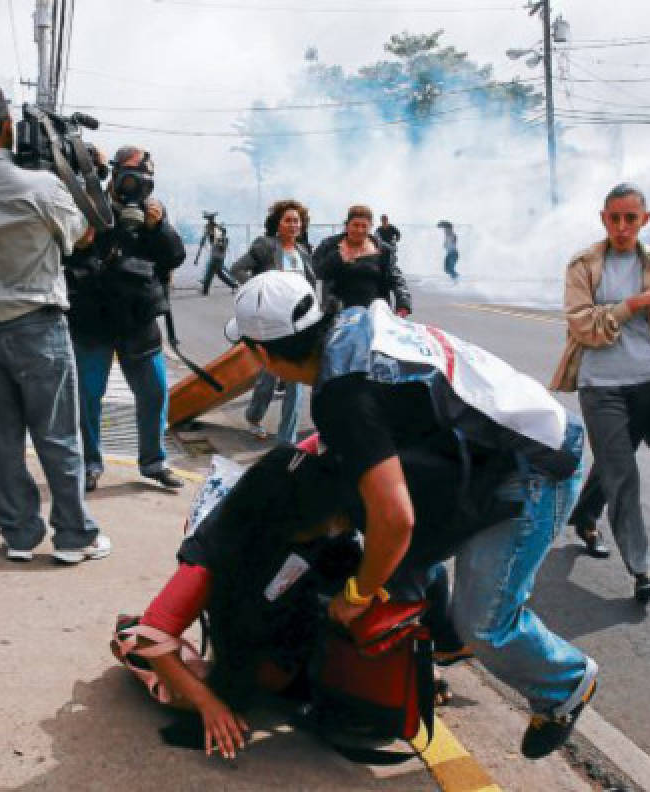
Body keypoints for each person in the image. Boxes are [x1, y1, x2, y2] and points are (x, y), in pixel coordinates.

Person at [224, 271, 598, 759]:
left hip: (536, 464)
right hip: (484, 454)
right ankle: (439, 649)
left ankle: (565, 683)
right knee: (394, 553)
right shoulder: (351, 326)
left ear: (265, 355)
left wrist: (354, 595)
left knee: (484, 621)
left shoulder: (342, 394)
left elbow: (395, 519)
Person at [117, 443, 478, 759]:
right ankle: (124, 637)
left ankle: (437, 657)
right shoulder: (213, 558)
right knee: (176, 674)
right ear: (283, 528)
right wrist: (208, 705)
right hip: (249, 643)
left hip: (296, 615)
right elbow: (155, 637)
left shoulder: (308, 478)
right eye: (328, 523)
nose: (340, 523)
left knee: (422, 572)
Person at [0, 81, 109, 564]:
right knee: (57, 436)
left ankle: (18, 534)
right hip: (39, 328)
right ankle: (74, 537)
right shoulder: (43, 187)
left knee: (3, 439)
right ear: (8, 126)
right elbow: (82, 234)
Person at [550, 183, 650, 604]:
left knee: (615, 464)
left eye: (630, 218)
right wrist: (635, 303)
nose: (621, 226)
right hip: (600, 387)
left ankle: (584, 515)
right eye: (614, 218)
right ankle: (641, 567)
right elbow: (583, 325)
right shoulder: (583, 265)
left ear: (644, 221)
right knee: (624, 474)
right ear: (603, 219)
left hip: (649, 386)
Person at [64, 145, 186, 493]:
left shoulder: (152, 214)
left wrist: (158, 226)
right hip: (92, 321)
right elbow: (68, 252)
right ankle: (89, 463)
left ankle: (154, 462)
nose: (135, 185)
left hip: (138, 321)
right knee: (87, 396)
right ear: (115, 173)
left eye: (143, 178)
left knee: (155, 393)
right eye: (130, 175)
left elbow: (175, 255)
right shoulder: (89, 205)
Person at [231, 199, 315, 444]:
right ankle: (254, 415)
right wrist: (258, 293)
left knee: (295, 382)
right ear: (277, 224)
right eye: (287, 220)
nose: (292, 225)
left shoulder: (303, 252)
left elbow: (310, 286)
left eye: (296, 221)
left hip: (299, 326)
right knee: (268, 378)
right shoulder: (266, 246)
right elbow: (238, 269)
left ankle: (286, 442)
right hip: (272, 325)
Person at [313, 205, 411, 316]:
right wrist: (337, 258)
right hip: (337, 314)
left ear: (370, 227)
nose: (359, 230)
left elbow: (396, 276)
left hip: (374, 314)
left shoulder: (383, 250)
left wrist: (403, 303)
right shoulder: (329, 246)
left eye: (364, 226)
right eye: (355, 225)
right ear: (347, 225)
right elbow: (315, 271)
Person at [200, 223, 236, 296]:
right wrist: (208, 233)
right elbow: (210, 240)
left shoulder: (224, 239)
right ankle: (233, 285)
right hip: (216, 259)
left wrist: (218, 240)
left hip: (217, 259)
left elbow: (222, 248)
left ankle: (205, 291)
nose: (216, 232)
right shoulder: (216, 238)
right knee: (220, 275)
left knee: (209, 274)